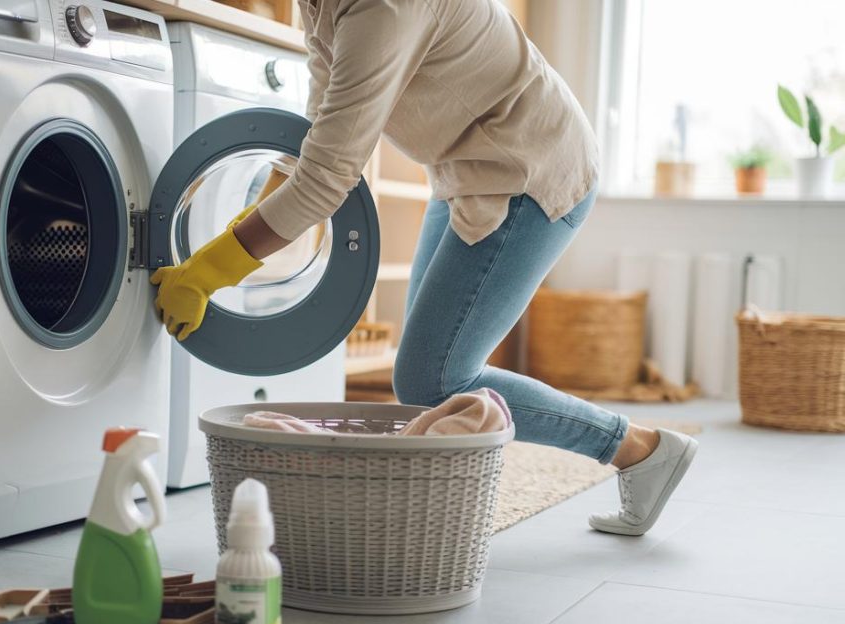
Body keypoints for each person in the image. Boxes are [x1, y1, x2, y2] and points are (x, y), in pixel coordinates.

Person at [150, 0, 697, 535]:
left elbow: (327, 177)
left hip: (529, 169)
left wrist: (209, 270)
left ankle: (640, 449)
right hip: (465, 168)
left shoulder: (382, 8)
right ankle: (453, 502)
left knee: (434, 377)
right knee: (426, 380)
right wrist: (241, 239)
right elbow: (317, 140)